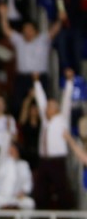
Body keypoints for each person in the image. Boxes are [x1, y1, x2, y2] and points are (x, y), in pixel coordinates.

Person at [0, 2, 63, 116]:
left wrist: (60, 20)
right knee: (17, 105)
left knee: (43, 105)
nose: (26, 32)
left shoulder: (42, 40)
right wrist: (3, 15)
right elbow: (6, 30)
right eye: (25, 29)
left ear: (35, 31)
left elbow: (54, 30)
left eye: (29, 29)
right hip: (23, 78)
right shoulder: (19, 40)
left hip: (40, 77)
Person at [33, 69, 75, 210]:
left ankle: (67, 215)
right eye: (47, 106)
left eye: (50, 106)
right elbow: (40, 100)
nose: (46, 108)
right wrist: (36, 82)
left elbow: (67, 100)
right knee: (40, 190)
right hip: (44, 160)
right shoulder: (45, 120)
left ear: (56, 109)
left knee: (62, 189)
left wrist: (69, 82)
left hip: (57, 160)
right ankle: (42, 215)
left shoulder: (62, 119)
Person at [0, 139, 34, 210]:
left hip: (17, 197)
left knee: (30, 203)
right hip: (2, 196)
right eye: (11, 150)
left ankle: (21, 217)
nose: (12, 151)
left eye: (14, 150)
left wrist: (23, 192)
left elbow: (27, 183)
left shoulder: (24, 165)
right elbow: (3, 148)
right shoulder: (3, 163)